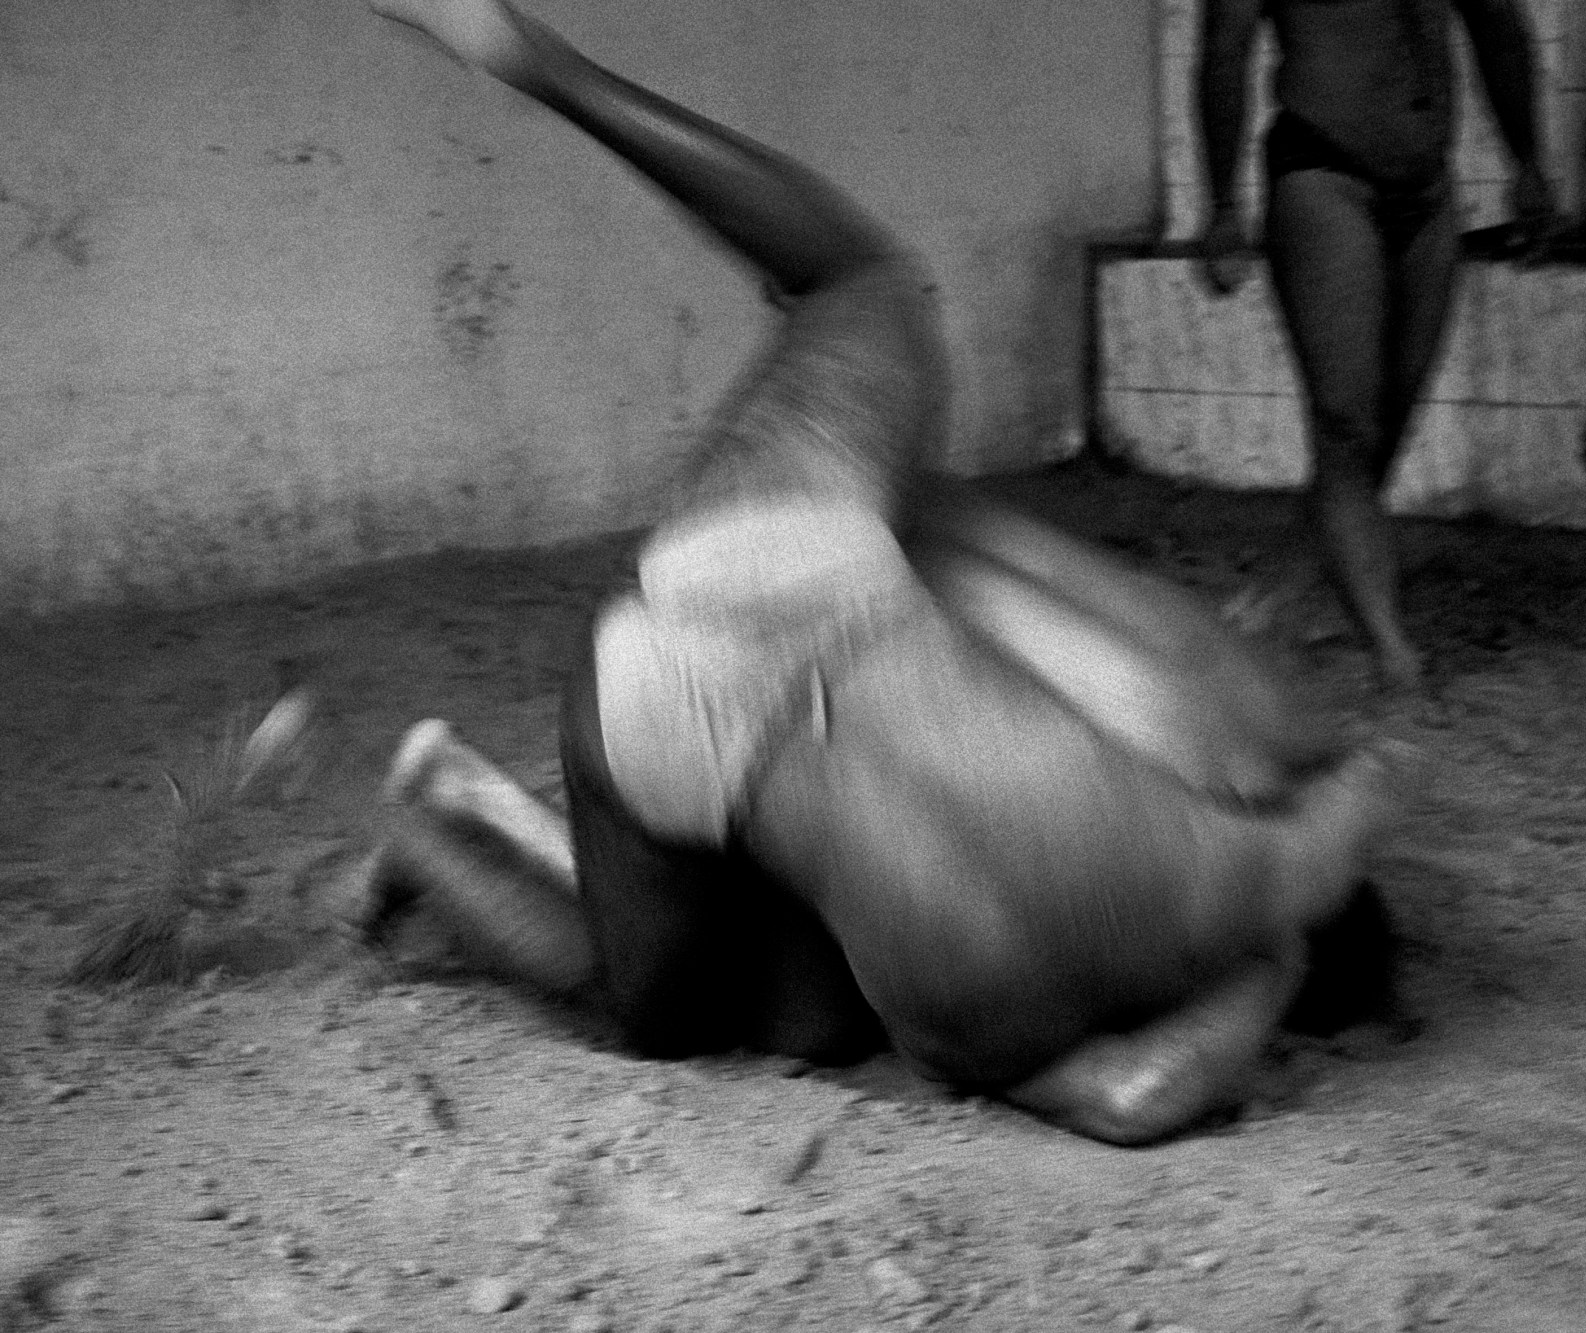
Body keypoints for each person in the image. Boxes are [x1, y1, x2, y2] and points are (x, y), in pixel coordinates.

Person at [355, 0, 1429, 1146]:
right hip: (660, 714)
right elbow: (1135, 1097)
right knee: (688, 1013)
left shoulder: (1231, 843)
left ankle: (541, 64)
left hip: (794, 550)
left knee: (860, 279)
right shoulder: (1021, 1032)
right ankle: (437, 821)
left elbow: (1351, 786)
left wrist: (1318, 850)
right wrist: (1260, 979)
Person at [1197, 0, 1558, 693]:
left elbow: (1498, 25)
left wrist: (1530, 161)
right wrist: (1221, 209)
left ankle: (1282, 592)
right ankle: (1390, 647)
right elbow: (1224, 48)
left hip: (1427, 190)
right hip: (1322, 174)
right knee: (1345, 423)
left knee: (1383, 425)